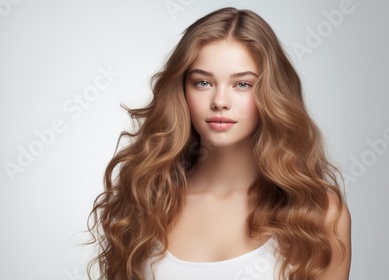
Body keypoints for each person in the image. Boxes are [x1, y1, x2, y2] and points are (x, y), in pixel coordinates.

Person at [88, 7, 351, 280]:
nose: (220, 101)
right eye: (203, 82)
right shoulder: (147, 199)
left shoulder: (318, 214)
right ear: (182, 90)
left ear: (272, 92)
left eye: (242, 84)